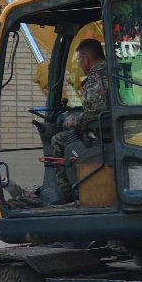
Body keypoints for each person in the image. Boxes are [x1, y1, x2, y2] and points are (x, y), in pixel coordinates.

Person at [49, 38, 110, 200]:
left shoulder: (95, 76)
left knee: (58, 140)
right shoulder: (112, 70)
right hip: (110, 128)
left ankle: (68, 195)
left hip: (102, 133)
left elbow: (97, 112)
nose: (80, 65)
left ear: (86, 58)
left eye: (79, 60)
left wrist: (73, 120)